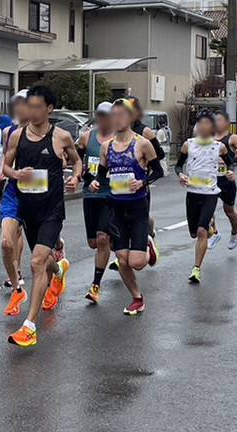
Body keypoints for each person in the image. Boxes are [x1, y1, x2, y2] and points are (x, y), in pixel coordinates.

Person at [2, 85, 81, 347]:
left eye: (38, 107)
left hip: (52, 211)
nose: (32, 111)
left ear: (49, 108)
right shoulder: (16, 136)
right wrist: (16, 175)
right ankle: (59, 270)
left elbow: (76, 160)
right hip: (28, 210)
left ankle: (29, 326)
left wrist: (76, 177)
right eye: (29, 106)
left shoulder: (61, 137)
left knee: (36, 262)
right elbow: (5, 166)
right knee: (46, 262)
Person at [89, 99, 162, 314]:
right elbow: (101, 176)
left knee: (137, 262)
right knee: (122, 259)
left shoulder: (142, 144)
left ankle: (147, 245)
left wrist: (143, 182)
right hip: (116, 208)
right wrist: (94, 182)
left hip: (138, 207)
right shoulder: (106, 147)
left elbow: (158, 170)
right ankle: (137, 297)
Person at [175, 110, 235, 283]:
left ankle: (196, 268)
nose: (203, 126)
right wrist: (181, 176)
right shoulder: (188, 145)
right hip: (192, 194)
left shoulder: (219, 147)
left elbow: (230, 161)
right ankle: (209, 227)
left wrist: (230, 171)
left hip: (210, 194)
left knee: (201, 232)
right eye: (201, 123)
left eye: (207, 123)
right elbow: (178, 166)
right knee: (194, 233)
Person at [77, 101, 115, 304]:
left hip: (112, 195)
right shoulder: (87, 138)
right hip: (90, 195)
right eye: (99, 114)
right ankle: (119, 240)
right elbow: (77, 162)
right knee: (94, 243)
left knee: (101, 238)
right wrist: (83, 179)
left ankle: (95, 285)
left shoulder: (119, 139)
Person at [0, 90, 29, 314]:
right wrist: (5, 171)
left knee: (42, 248)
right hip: (13, 191)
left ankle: (58, 249)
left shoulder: (51, 134)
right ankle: (17, 281)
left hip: (38, 193)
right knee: (8, 241)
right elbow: (6, 157)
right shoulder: (9, 131)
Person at [125, 96, 162, 252]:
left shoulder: (144, 131)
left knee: (138, 218)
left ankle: (147, 232)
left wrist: (144, 159)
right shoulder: (116, 131)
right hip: (120, 183)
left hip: (140, 183)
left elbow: (159, 155)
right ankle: (122, 253)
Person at [207, 110, 237, 251]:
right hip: (211, 180)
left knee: (229, 211)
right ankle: (215, 233)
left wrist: (228, 161)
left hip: (227, 180)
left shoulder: (232, 138)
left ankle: (234, 233)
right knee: (208, 209)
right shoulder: (208, 138)